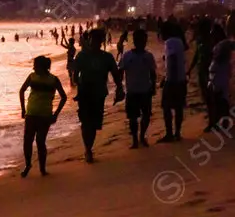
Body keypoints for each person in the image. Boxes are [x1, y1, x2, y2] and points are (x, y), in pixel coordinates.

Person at [73, 27, 124, 163]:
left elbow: (115, 74)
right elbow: (75, 76)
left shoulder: (107, 57)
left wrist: (120, 88)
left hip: (99, 94)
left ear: (101, 41)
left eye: (96, 39)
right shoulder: (82, 56)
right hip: (84, 94)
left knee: (94, 124)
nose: (93, 42)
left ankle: (89, 147)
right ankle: (88, 150)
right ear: (89, 40)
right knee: (85, 122)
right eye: (91, 39)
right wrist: (80, 86)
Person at [19, 56, 67, 177]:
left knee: (40, 141)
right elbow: (22, 90)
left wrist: (56, 114)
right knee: (27, 141)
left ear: (43, 67)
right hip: (31, 113)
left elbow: (64, 97)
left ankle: (42, 168)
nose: (34, 68)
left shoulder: (53, 80)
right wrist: (23, 109)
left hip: (45, 116)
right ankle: (28, 164)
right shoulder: (32, 77)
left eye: (36, 66)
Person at [119, 29, 157, 148]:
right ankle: (135, 139)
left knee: (146, 116)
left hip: (145, 90)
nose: (142, 42)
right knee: (132, 118)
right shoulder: (127, 56)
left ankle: (142, 137)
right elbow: (120, 72)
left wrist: (153, 86)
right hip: (132, 91)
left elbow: (152, 73)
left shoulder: (149, 56)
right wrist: (119, 87)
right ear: (135, 41)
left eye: (144, 40)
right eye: (140, 40)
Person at [158, 22, 188, 143]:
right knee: (178, 107)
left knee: (166, 107)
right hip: (181, 79)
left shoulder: (170, 42)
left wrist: (168, 79)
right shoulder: (179, 41)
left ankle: (169, 133)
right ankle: (177, 133)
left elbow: (173, 60)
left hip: (173, 80)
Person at [207, 27, 233, 130]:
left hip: (220, 74)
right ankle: (221, 122)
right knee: (219, 99)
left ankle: (224, 123)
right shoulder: (220, 44)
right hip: (217, 74)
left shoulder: (224, 43)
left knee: (221, 99)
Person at [187, 18, 213, 121]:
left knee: (210, 94)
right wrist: (190, 69)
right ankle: (210, 113)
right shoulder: (201, 40)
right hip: (201, 69)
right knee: (204, 93)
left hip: (209, 71)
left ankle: (212, 118)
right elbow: (197, 55)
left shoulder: (211, 41)